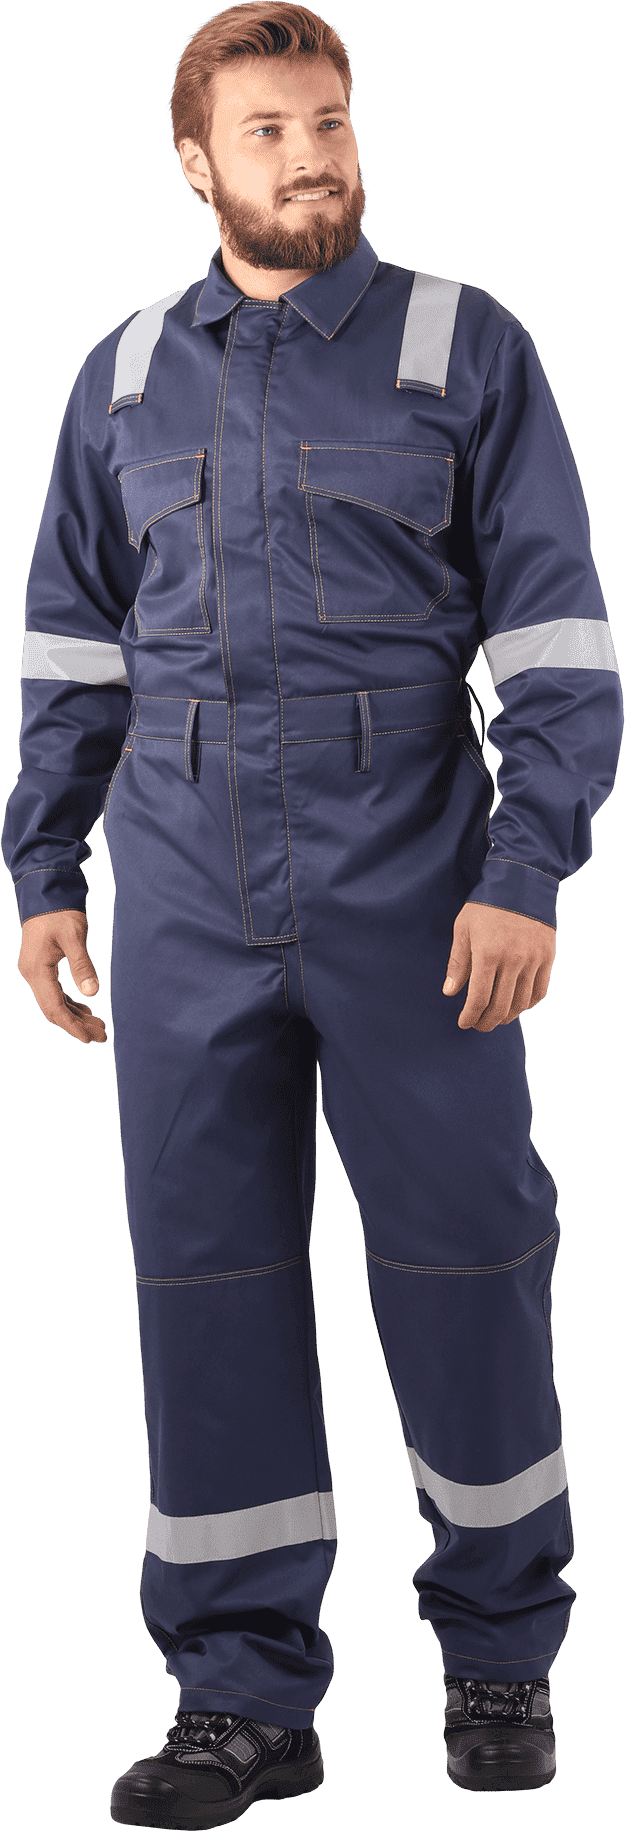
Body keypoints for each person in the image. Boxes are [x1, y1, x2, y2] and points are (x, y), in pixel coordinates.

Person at [2, 1, 622, 1816]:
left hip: (414, 886)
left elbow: (559, 647)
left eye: (331, 122)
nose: (312, 158)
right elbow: (71, 648)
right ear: (197, 165)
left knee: (467, 1261)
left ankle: (501, 1653)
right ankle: (244, 1697)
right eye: (268, 132)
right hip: (184, 892)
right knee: (206, 1282)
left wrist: (527, 873)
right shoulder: (125, 376)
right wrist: (43, 872)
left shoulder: (462, 346)